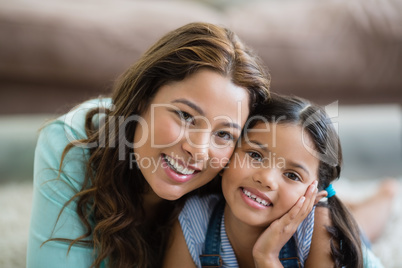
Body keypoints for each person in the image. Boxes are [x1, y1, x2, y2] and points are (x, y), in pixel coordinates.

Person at [26, 22, 271, 268]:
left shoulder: (236, 181)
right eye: (185, 116)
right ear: (143, 98)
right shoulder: (71, 140)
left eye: (224, 134)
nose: (198, 149)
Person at [163, 93, 385, 267]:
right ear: (227, 156)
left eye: (291, 175)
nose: (266, 179)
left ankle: (387, 194)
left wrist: (267, 258)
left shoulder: (319, 227)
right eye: (255, 155)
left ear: (315, 194)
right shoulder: (195, 219)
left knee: (361, 228)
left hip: (346, 246)